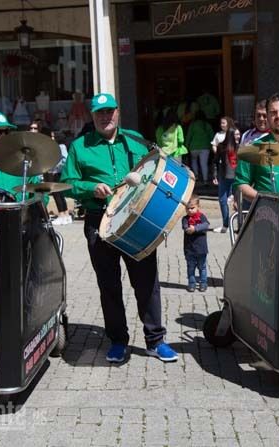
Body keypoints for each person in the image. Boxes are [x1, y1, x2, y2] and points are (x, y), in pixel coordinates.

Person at [60, 93, 178, 364]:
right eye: (99, 112)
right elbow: (68, 184)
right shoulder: (79, 146)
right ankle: (117, 341)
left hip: (135, 220)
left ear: (117, 112)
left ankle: (155, 340)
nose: (105, 117)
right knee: (109, 285)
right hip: (98, 221)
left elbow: (156, 170)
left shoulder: (136, 140)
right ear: (92, 116)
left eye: (109, 111)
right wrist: (91, 188)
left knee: (147, 282)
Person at [212, 127, 240, 233]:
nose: (238, 136)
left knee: (238, 202)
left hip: (237, 178)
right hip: (224, 177)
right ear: (230, 135)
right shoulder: (221, 147)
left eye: (239, 134)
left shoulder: (239, 147)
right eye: (236, 134)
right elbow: (215, 161)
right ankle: (225, 225)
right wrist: (215, 175)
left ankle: (241, 226)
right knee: (222, 200)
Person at [181, 195, 210, 292]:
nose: (189, 210)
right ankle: (192, 283)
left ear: (198, 207)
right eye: (187, 208)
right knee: (191, 267)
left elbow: (206, 225)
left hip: (201, 248)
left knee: (202, 267)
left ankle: (203, 283)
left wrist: (195, 228)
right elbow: (185, 227)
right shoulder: (185, 219)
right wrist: (188, 229)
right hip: (189, 249)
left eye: (192, 208)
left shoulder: (202, 217)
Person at [185, 110, 214, 185]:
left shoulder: (193, 125)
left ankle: (196, 176)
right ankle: (205, 180)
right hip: (205, 147)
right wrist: (213, 146)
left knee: (194, 161)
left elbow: (189, 136)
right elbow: (212, 136)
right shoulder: (207, 125)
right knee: (204, 164)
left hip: (193, 147)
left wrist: (186, 146)